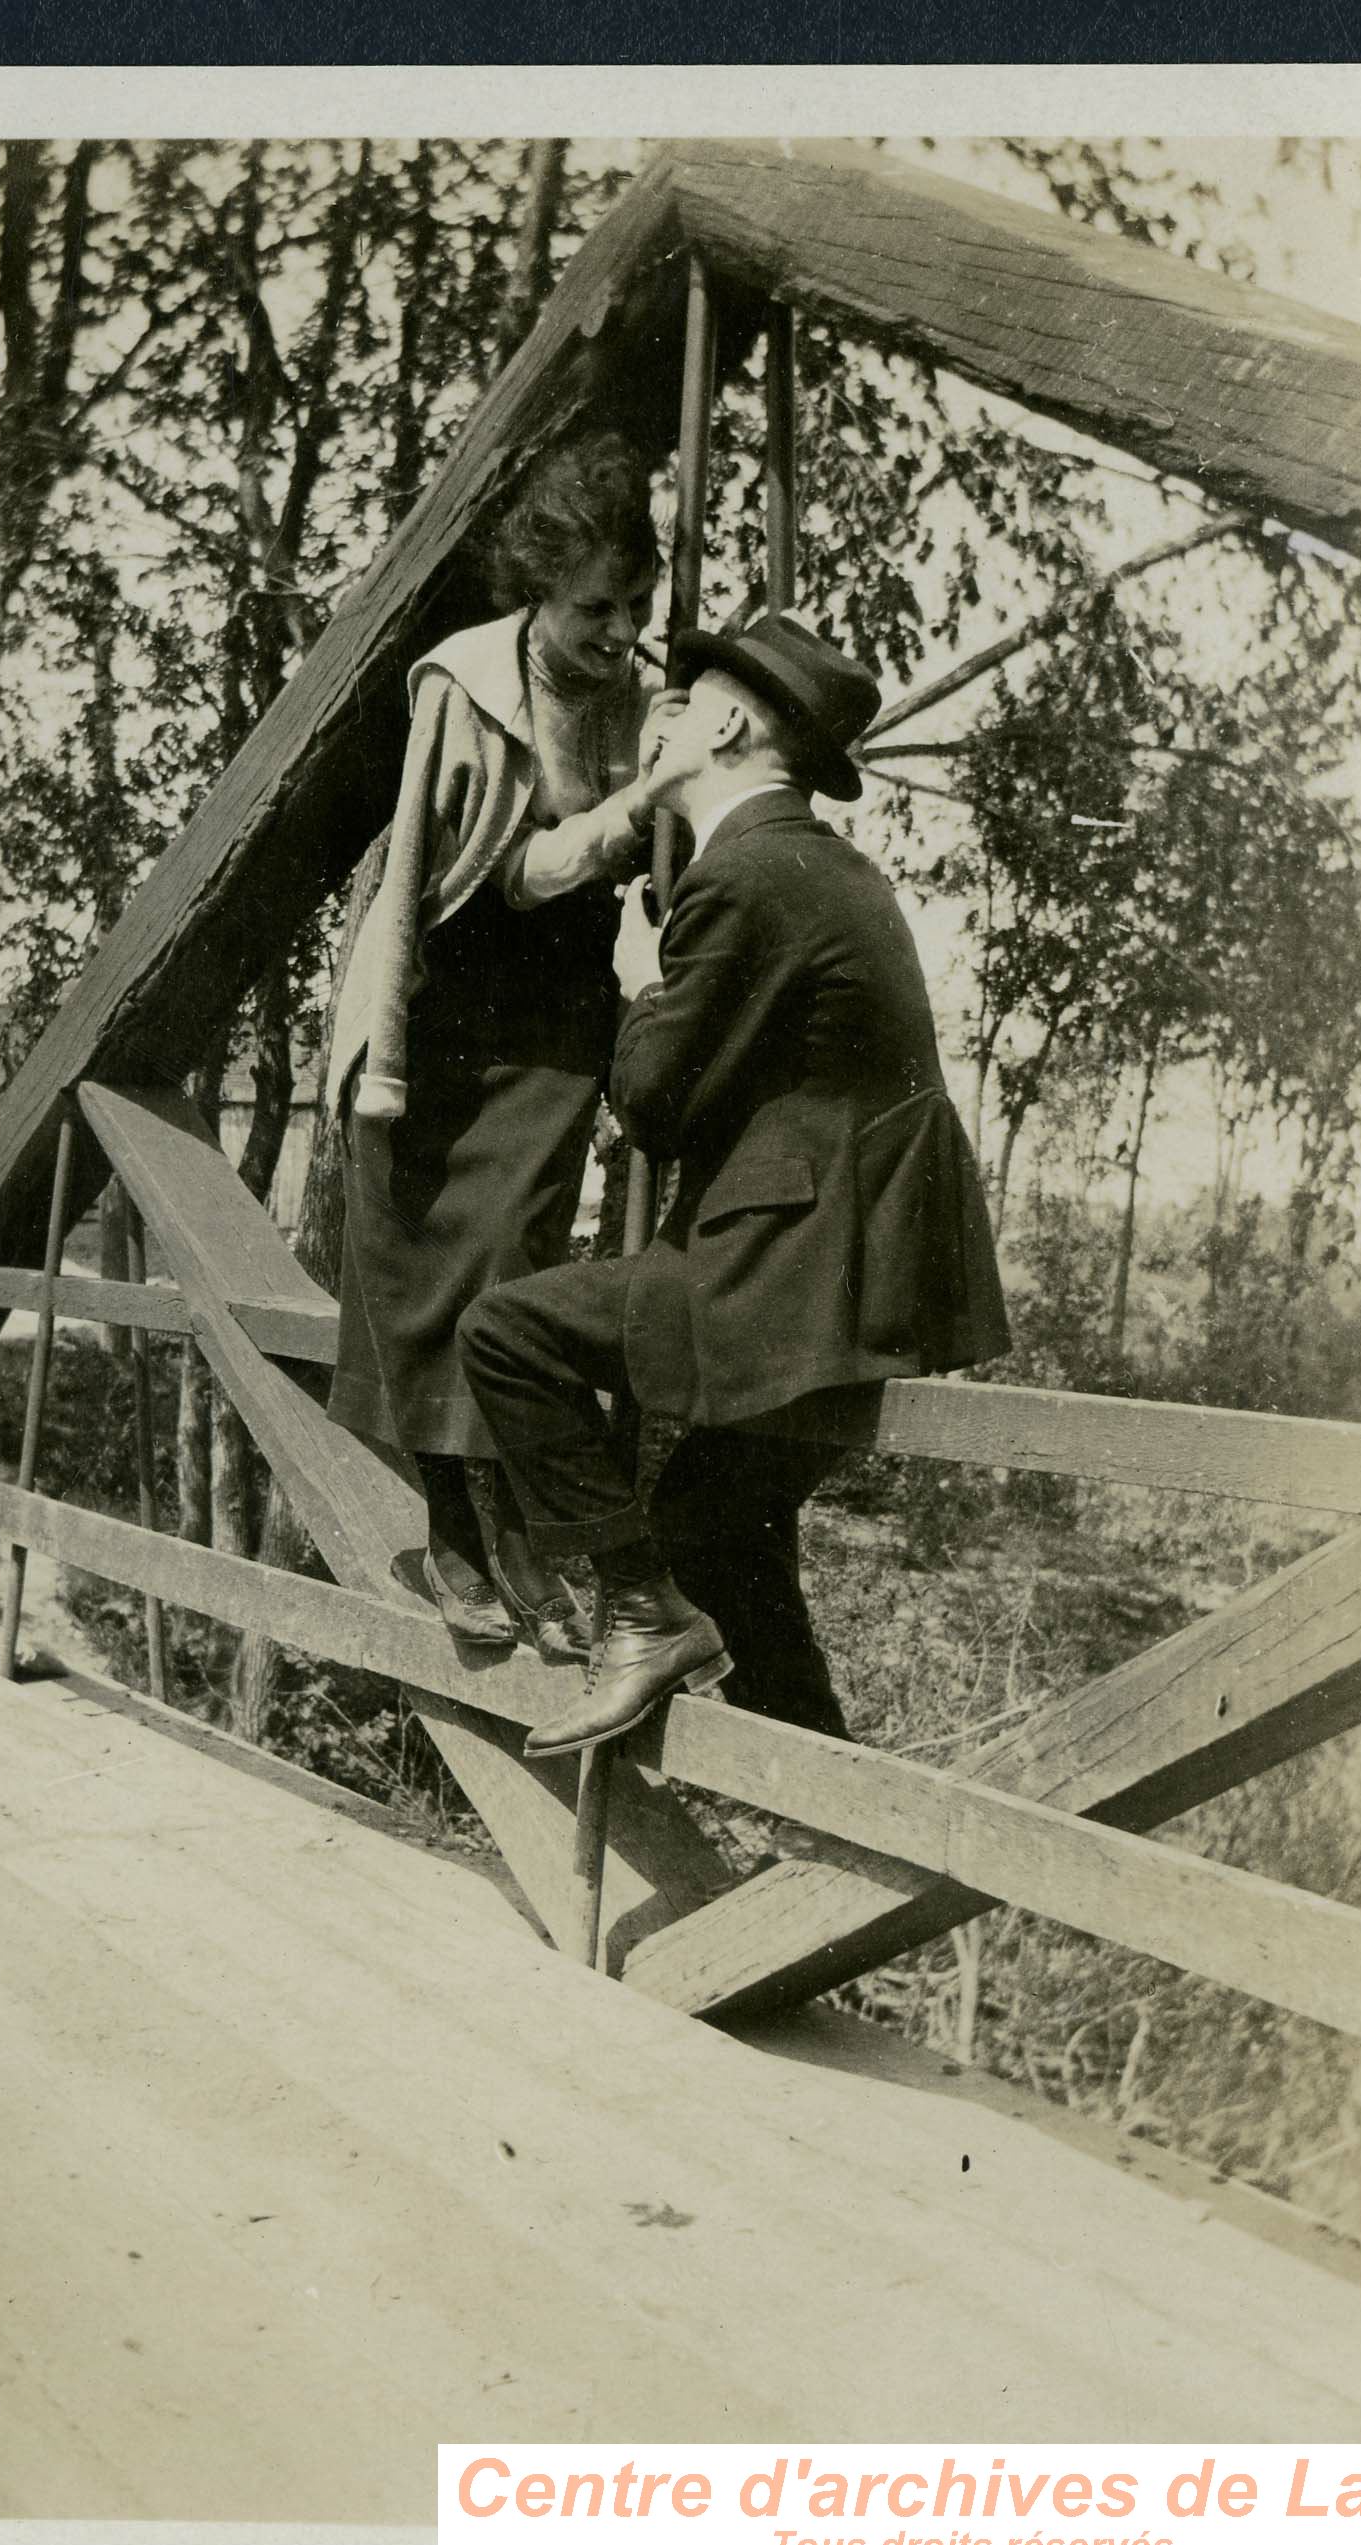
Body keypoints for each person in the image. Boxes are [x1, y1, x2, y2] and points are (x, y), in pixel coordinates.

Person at [457, 613, 1011, 1757]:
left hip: (802, 1268)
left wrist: (637, 979)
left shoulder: (750, 876)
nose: (652, 720)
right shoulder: (807, 866)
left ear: (725, 723)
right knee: (716, 1533)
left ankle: (636, 1615)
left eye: (678, 699)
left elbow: (656, 1103)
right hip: (851, 1263)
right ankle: (833, 1839)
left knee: (508, 1333)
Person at [325, 434, 708, 1661]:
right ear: (538, 589)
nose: (617, 633)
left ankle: (519, 1520)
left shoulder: (643, 700)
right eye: (595, 607)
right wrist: (632, 810)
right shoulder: (464, 683)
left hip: (556, 1013)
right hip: (445, 987)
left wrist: (665, 805)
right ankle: (450, 1525)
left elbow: (606, 870)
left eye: (637, 608)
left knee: (516, 1262)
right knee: (421, 1259)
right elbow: (505, 874)